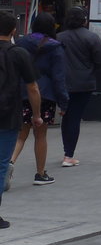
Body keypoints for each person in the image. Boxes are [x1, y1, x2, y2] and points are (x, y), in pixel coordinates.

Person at [11, 12, 69, 186]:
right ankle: (41, 173)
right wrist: (63, 102)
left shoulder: (21, 43)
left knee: (21, 134)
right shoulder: (56, 47)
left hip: (22, 92)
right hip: (45, 95)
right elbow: (59, 78)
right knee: (41, 134)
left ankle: (9, 163)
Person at [0, 11, 43, 226]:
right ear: (14, 31)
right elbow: (32, 88)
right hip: (7, 115)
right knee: (1, 164)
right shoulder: (19, 54)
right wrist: (36, 115)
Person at [56, 6, 101, 167]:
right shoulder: (91, 37)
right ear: (84, 20)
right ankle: (68, 155)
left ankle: (67, 151)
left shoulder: (59, 37)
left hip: (63, 82)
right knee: (75, 117)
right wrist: (91, 69)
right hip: (84, 82)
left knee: (67, 116)